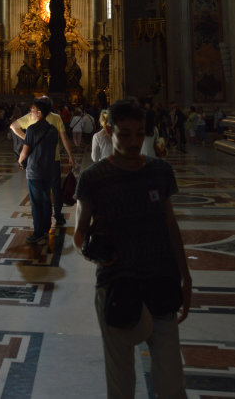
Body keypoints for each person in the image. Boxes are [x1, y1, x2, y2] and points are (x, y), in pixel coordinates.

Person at [73, 98, 191, 399]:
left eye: (139, 134)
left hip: (161, 281)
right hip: (117, 286)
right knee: (121, 383)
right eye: (125, 134)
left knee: (172, 383)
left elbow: (171, 225)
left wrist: (186, 276)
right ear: (109, 132)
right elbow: (79, 235)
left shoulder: (160, 171)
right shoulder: (93, 178)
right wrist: (97, 251)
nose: (133, 142)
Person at [11, 95, 74, 228]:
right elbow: (64, 138)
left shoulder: (31, 119)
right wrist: (70, 155)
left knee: (38, 194)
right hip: (53, 160)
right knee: (55, 189)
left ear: (39, 109)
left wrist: (27, 139)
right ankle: (57, 215)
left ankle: (41, 227)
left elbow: (13, 126)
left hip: (36, 161)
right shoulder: (55, 119)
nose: (32, 111)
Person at [18, 97, 59, 244]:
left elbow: (25, 150)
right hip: (49, 169)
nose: (31, 113)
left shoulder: (32, 129)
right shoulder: (53, 130)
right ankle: (47, 227)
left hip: (35, 170)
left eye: (32, 111)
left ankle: (38, 231)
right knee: (46, 199)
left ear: (39, 113)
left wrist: (20, 160)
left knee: (36, 202)